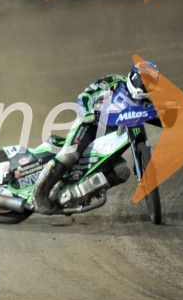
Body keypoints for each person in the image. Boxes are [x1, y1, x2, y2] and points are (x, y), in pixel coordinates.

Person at [31, 60, 162, 213]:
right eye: (143, 81)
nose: (145, 86)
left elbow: (161, 117)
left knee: (122, 171)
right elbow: (86, 95)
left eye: (150, 83)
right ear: (133, 77)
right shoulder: (114, 82)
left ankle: (82, 193)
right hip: (91, 126)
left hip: (111, 139)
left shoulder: (148, 102)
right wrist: (87, 113)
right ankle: (39, 194)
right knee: (70, 154)